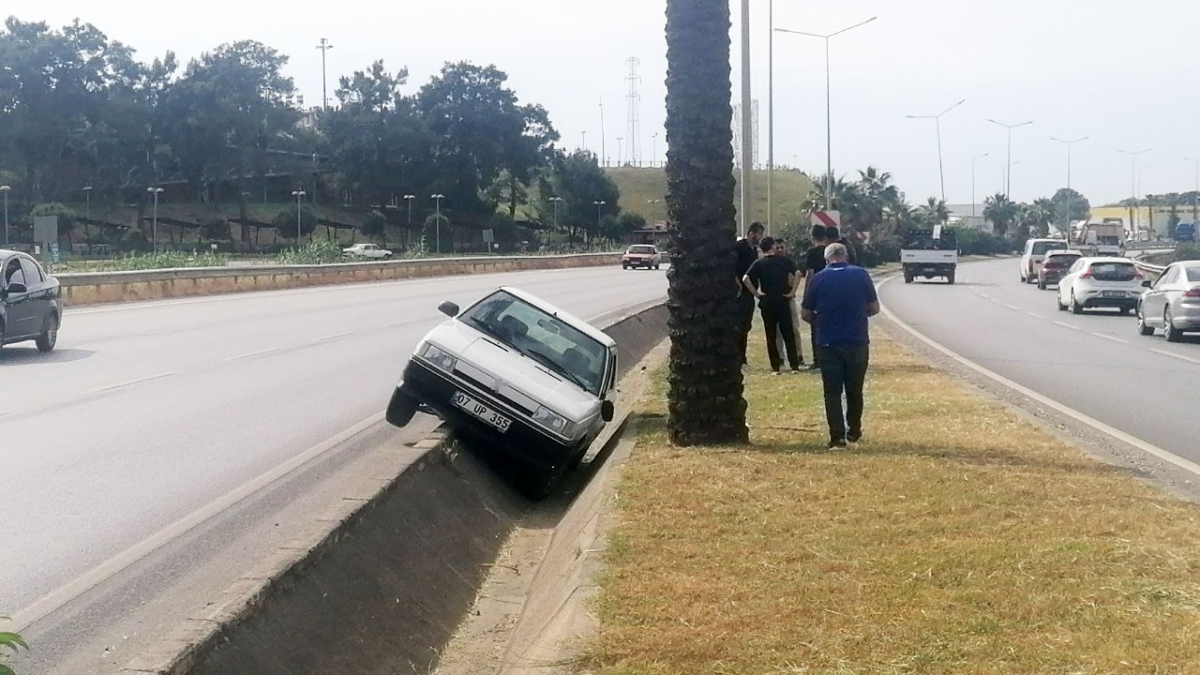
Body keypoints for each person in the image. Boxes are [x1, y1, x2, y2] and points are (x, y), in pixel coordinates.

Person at [801, 242, 880, 448]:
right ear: (846, 256)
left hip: (828, 341)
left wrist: (822, 322)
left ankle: (837, 437)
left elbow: (806, 313)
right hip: (857, 340)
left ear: (826, 259)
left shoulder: (818, 278)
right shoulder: (861, 275)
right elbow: (874, 307)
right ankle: (854, 430)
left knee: (832, 391)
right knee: (855, 389)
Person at [743, 237, 801, 373]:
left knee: (771, 334)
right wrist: (792, 292)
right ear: (773, 247)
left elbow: (745, 278)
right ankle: (794, 365)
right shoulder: (785, 261)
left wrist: (756, 294)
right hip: (782, 299)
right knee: (788, 333)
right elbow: (798, 273)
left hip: (767, 300)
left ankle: (775, 366)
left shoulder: (759, 263)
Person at [734, 222, 765, 366]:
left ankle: (742, 356)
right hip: (740, 291)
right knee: (738, 325)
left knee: (746, 325)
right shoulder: (740, 247)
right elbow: (732, 267)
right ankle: (737, 356)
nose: (760, 237)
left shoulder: (753, 250)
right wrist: (737, 284)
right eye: (759, 234)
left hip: (750, 291)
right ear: (752, 233)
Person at [773, 239, 805, 367]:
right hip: (776, 299)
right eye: (777, 247)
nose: (780, 250)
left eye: (782, 247)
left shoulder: (789, 262)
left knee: (794, 328)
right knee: (777, 330)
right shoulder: (771, 263)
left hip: (788, 298)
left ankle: (798, 355)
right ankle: (780, 356)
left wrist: (792, 291)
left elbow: (797, 275)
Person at [801, 226, 830, 370]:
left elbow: (810, 274)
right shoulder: (830, 251)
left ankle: (817, 358)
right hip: (830, 289)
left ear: (812, 237)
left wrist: (807, 294)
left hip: (817, 290)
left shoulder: (812, 253)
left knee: (815, 325)